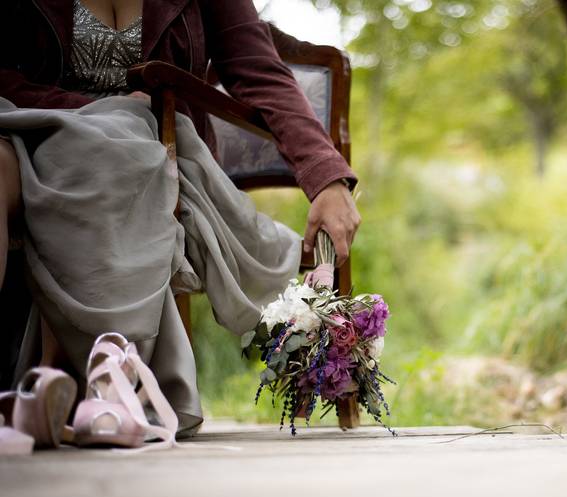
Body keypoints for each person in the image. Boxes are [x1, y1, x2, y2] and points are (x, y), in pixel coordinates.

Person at [0, 0, 360, 437]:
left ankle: (80, 380)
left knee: (115, 157)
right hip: (33, 133)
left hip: (157, 148)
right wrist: (94, 111)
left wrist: (327, 177)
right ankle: (89, 384)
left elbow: (259, 73)